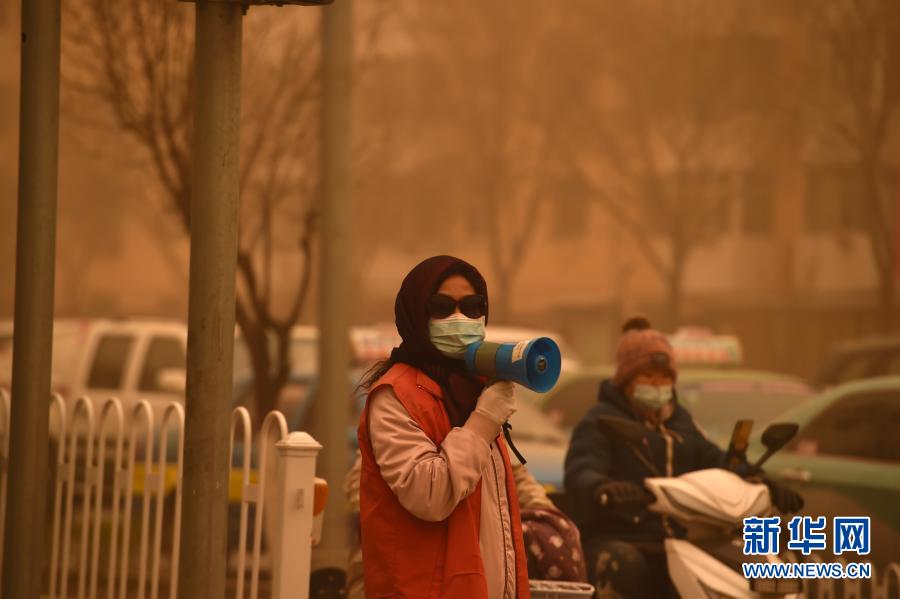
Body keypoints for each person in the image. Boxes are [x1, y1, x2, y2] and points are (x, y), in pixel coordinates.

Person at [564, 317, 803, 598]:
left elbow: (716, 460)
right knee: (625, 564)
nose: (658, 384)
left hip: (681, 539)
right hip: (622, 535)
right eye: (648, 376)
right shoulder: (600, 421)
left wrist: (762, 481)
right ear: (626, 381)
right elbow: (582, 468)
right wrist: (602, 487)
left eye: (665, 377)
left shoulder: (681, 422)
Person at [356, 255, 530, 599]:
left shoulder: (473, 390)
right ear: (416, 314)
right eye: (441, 307)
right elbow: (429, 496)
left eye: (472, 306)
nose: (459, 318)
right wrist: (483, 421)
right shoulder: (394, 396)